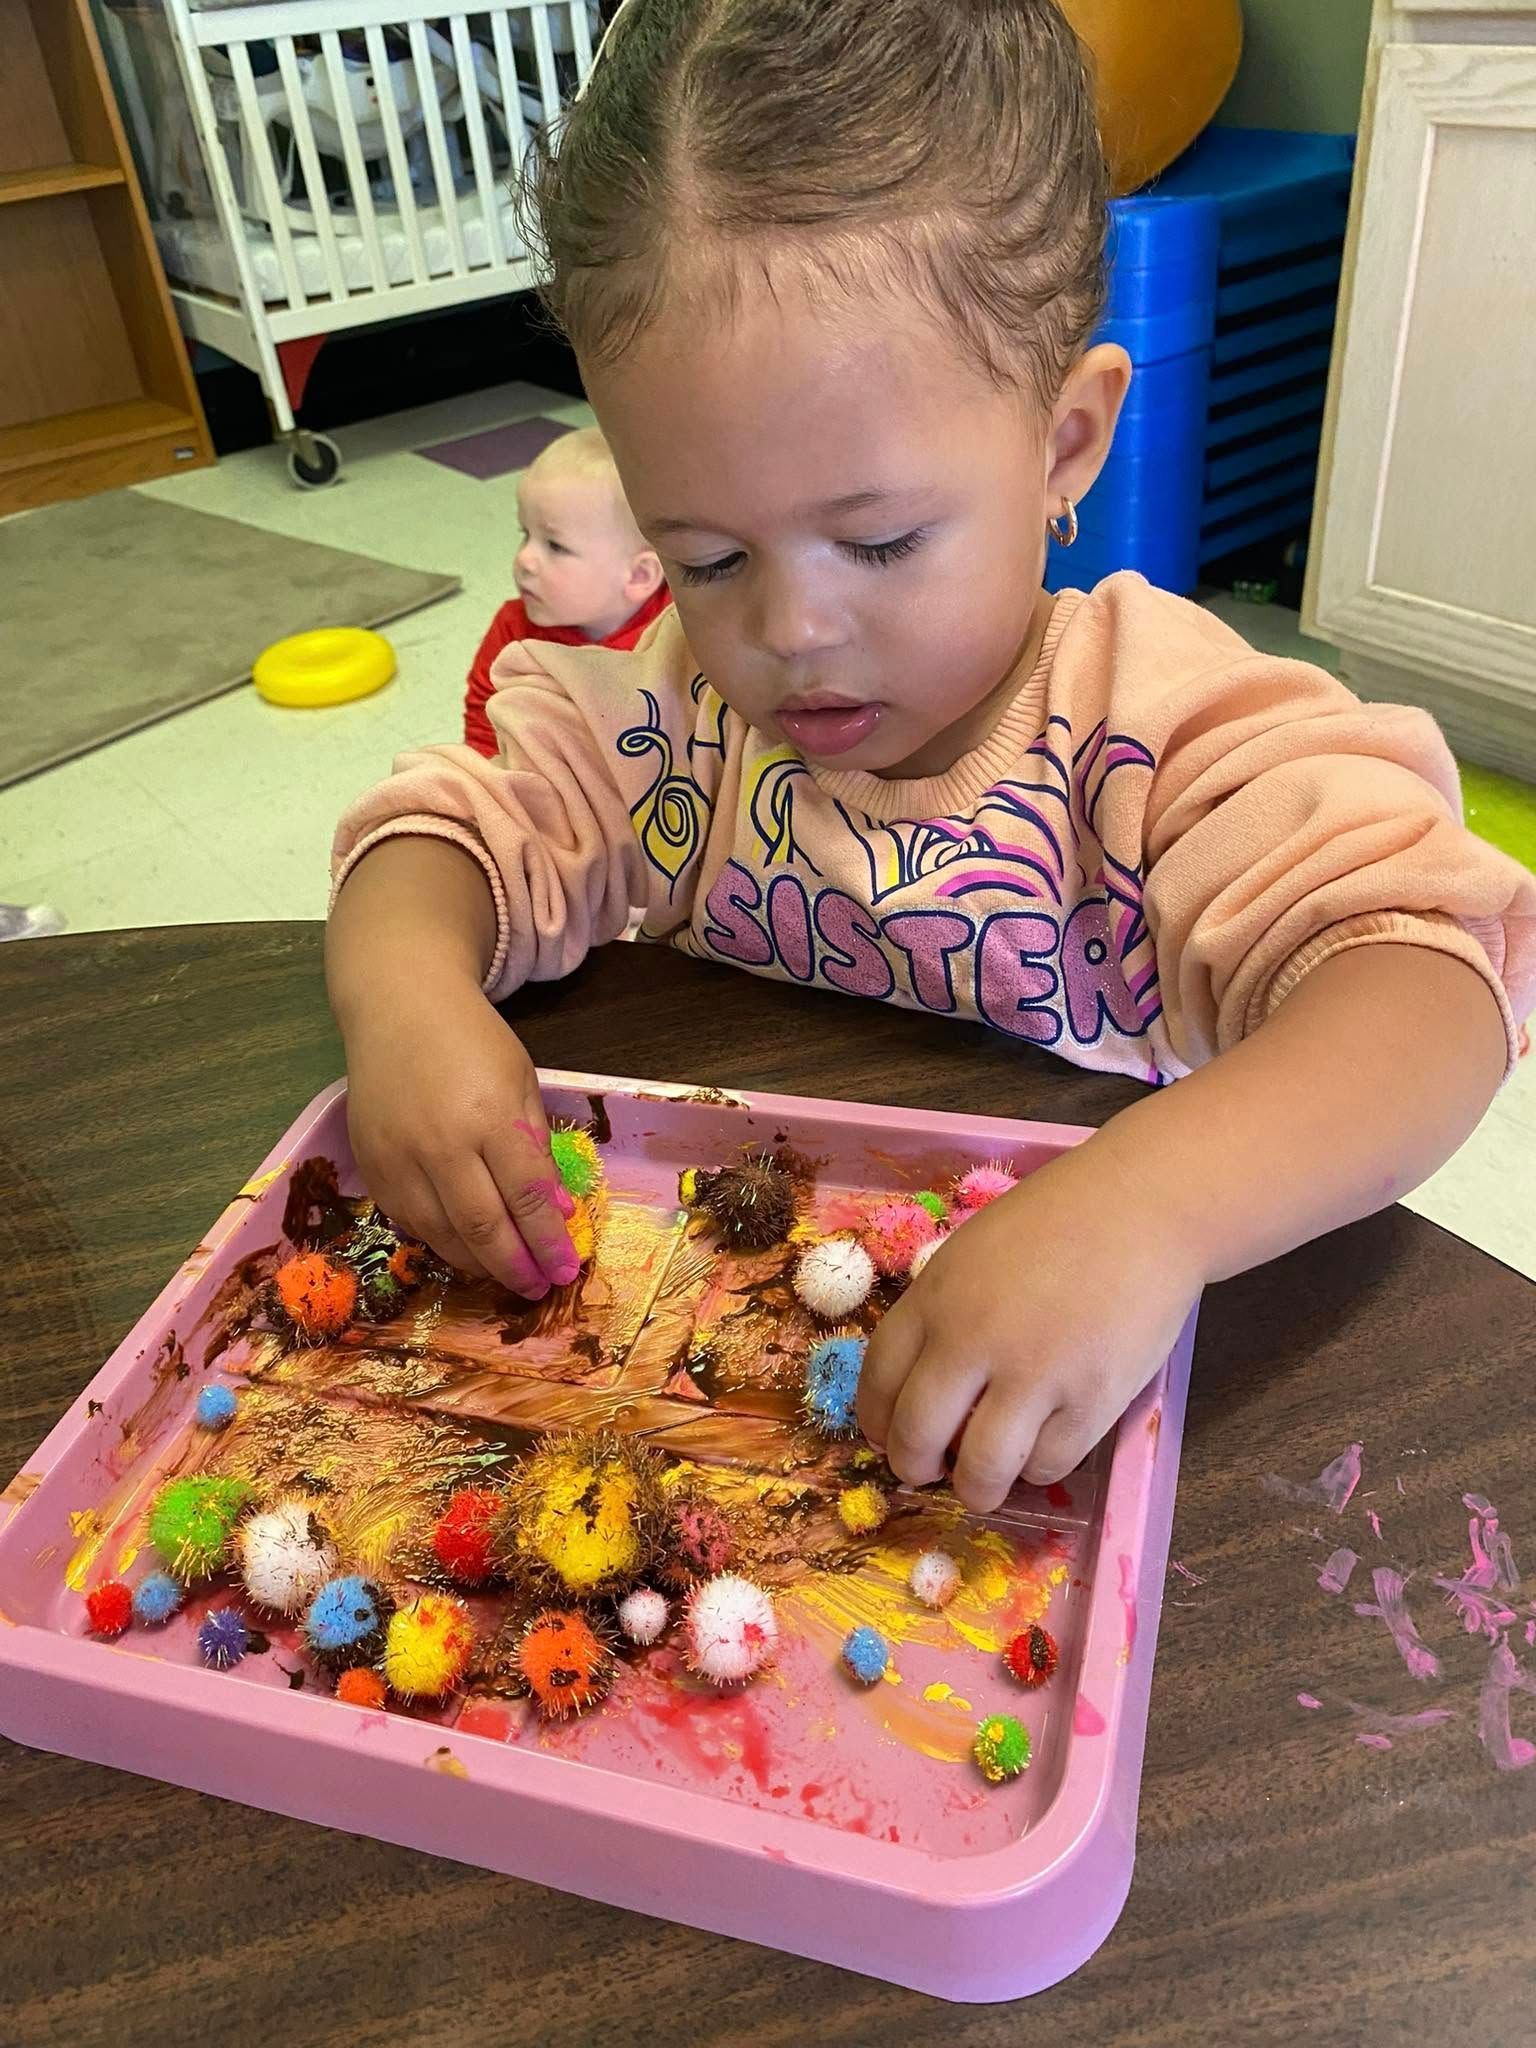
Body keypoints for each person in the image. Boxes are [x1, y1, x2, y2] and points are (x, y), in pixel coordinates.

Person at [329, 0, 1536, 1515]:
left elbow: (1430, 984)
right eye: (703, 556)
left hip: (1083, 1409)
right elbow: (449, 829)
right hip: (725, 1391)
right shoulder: (676, 711)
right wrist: (409, 1004)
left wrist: (1150, 1210)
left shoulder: (1155, 722)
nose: (790, 633)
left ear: (1065, 442)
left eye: (882, 539)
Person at [462, 426, 669, 756]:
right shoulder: (513, 630)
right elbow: (484, 719)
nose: (524, 560)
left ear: (638, 576)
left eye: (555, 546)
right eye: (524, 534)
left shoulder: (675, 634)